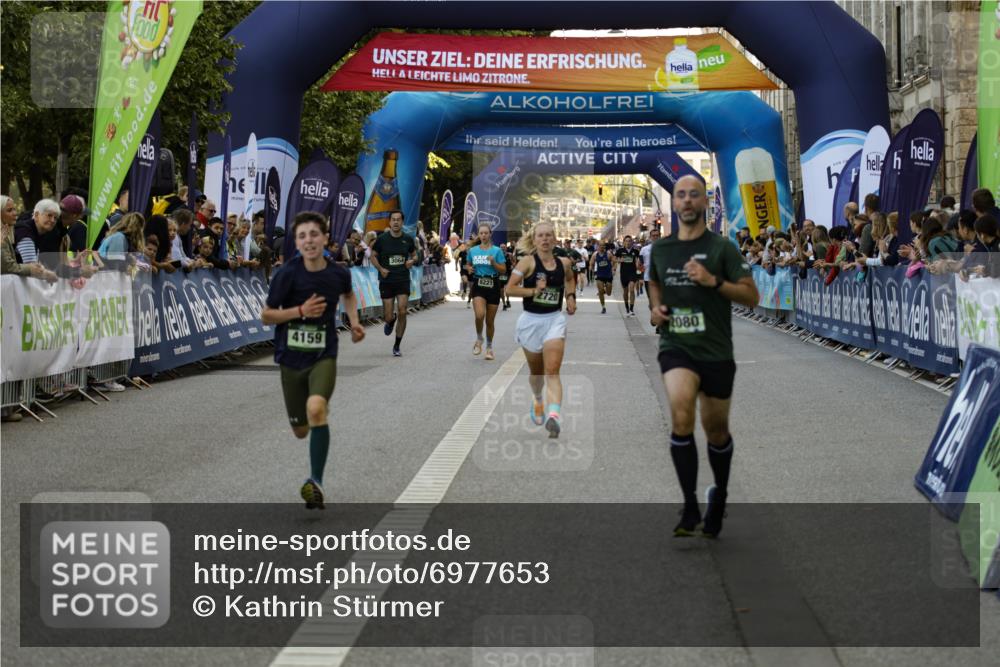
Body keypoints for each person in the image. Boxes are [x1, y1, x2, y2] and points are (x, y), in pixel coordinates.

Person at [647, 175, 758, 538]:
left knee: (716, 430)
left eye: (694, 194)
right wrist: (655, 308)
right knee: (681, 413)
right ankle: (690, 505)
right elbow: (654, 282)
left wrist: (714, 282)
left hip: (716, 349)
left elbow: (751, 296)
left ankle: (719, 496)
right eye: (680, 195)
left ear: (704, 202)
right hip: (676, 345)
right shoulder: (662, 249)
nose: (687, 200)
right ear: (674, 203)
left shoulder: (722, 248)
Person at [261, 212, 365, 510]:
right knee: (301, 431)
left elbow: (348, 295)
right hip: (290, 358)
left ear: (325, 238)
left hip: (323, 354)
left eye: (314, 234)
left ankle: (315, 481)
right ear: (296, 243)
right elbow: (267, 315)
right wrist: (300, 312)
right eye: (302, 236)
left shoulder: (338, 274)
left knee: (316, 409)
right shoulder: (287, 274)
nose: (308, 241)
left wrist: (354, 322)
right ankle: (312, 417)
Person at [505, 221, 577, 439]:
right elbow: (509, 289)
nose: (545, 239)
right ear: (534, 240)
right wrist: (533, 292)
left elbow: (570, 279)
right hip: (530, 322)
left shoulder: (564, 263)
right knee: (536, 373)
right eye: (541, 235)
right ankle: (538, 399)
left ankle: (553, 416)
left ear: (554, 239)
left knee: (552, 370)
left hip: (554, 320)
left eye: (548, 235)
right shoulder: (527, 262)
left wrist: (570, 297)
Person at [371, 210, 417, 357]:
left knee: (403, 310)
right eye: (393, 219)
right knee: (388, 316)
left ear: (402, 222)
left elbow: (415, 254)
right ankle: (390, 321)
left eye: (398, 219)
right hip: (387, 281)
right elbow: (372, 256)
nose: (396, 222)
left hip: (402, 279)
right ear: (390, 222)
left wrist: (412, 261)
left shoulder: (408, 239)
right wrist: (380, 269)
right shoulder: (382, 239)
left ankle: (397, 345)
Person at [464, 223, 507, 360]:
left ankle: (489, 347)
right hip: (479, 283)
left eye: (486, 233)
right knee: (479, 315)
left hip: (493, 284)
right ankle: (479, 338)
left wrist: (494, 263)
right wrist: (469, 268)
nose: (483, 235)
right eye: (481, 233)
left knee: (489, 321)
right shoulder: (473, 250)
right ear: (478, 235)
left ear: (490, 234)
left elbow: (503, 270)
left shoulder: (497, 251)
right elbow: (467, 264)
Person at [615, 235, 641, 317]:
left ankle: (632, 308)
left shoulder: (636, 251)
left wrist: (638, 266)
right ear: (624, 242)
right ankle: (627, 307)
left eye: (629, 241)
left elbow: (639, 261)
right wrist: (619, 260)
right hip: (624, 273)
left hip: (632, 272)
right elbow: (614, 259)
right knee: (625, 292)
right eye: (626, 241)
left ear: (632, 242)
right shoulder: (620, 251)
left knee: (632, 289)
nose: (628, 242)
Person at [639, 227, 661, 314]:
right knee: (652, 301)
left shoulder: (665, 248)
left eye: (657, 235)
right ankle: (653, 312)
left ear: (660, 236)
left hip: (660, 278)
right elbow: (640, 264)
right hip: (648, 278)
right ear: (650, 237)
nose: (655, 237)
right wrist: (640, 277)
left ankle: (657, 318)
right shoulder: (644, 249)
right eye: (653, 236)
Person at [590, 240, 615, 314]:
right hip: (599, 275)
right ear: (598, 246)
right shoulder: (595, 254)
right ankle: (603, 307)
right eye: (600, 245)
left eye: (603, 245)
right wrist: (592, 269)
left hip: (608, 275)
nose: (602, 247)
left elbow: (614, 261)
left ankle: (605, 290)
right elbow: (591, 263)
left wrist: (613, 269)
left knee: (609, 293)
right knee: (600, 291)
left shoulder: (608, 254)